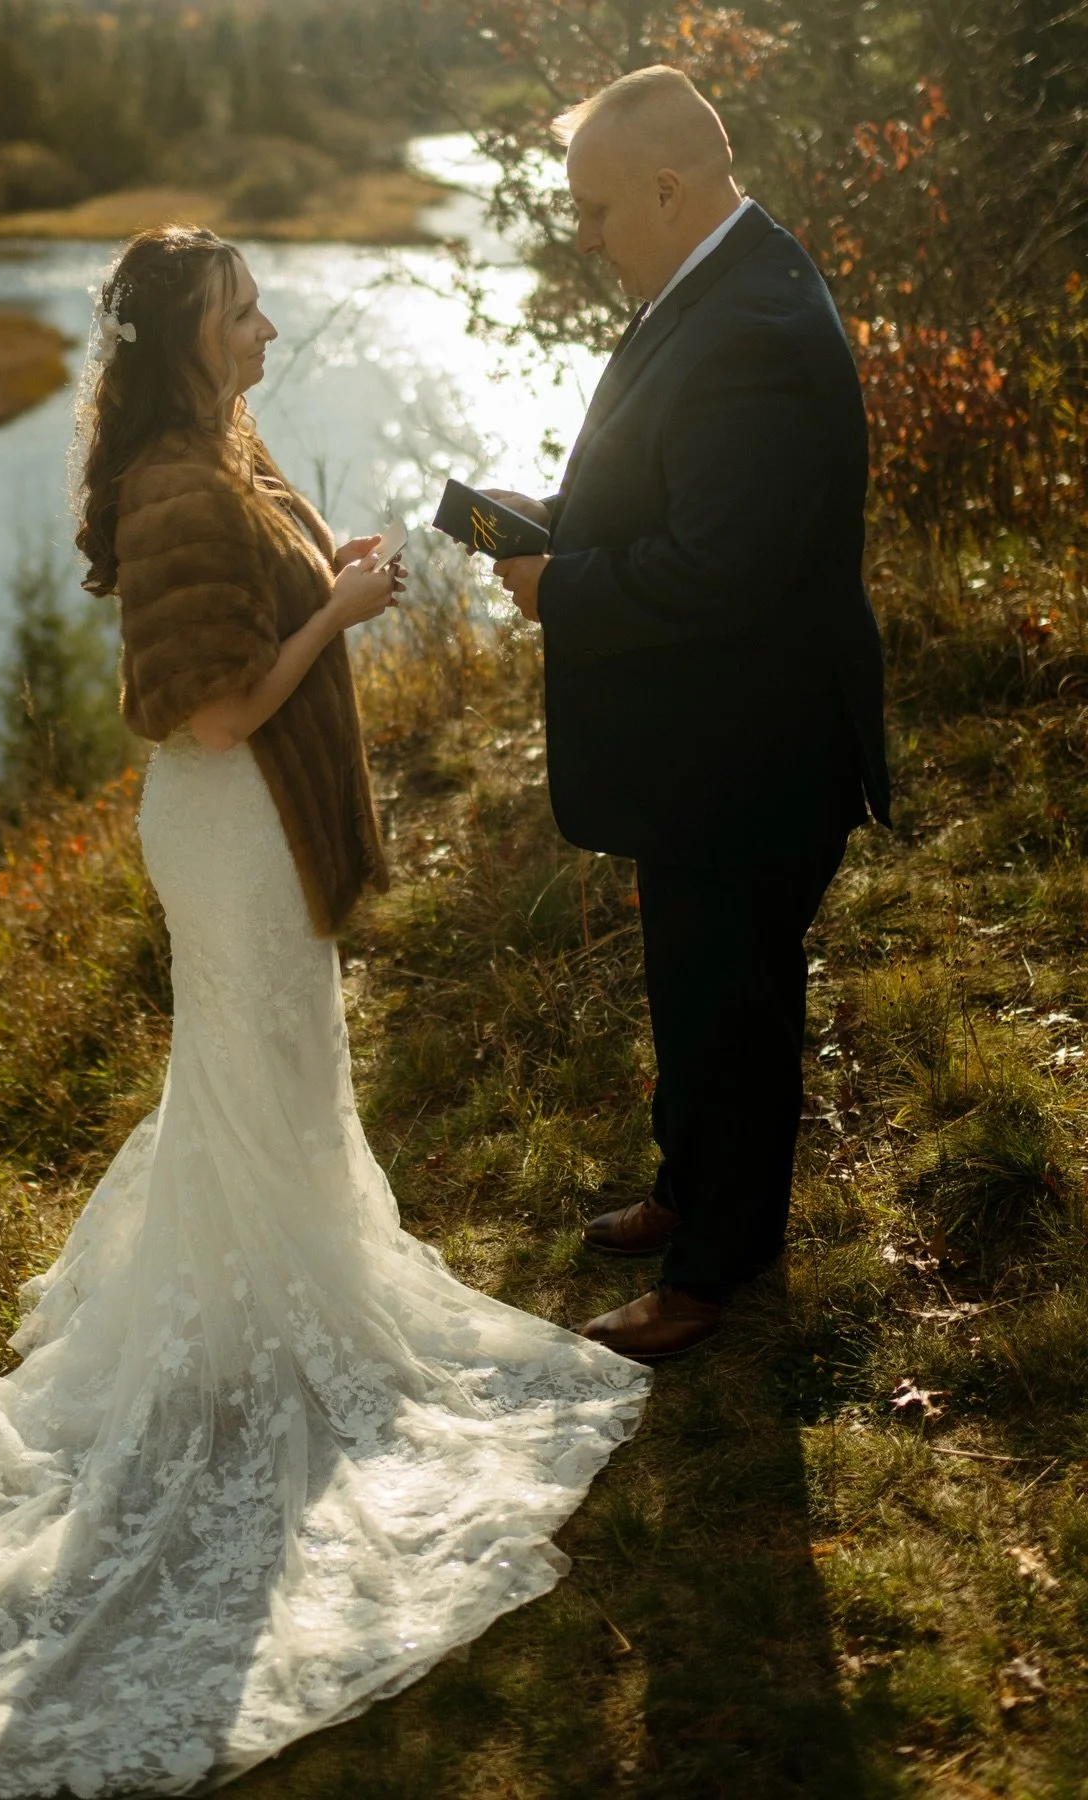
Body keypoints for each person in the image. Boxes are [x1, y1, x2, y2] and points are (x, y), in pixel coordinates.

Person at [0, 225, 649, 1799]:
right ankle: (236, 1361)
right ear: (188, 338)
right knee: (256, 1082)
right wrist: (340, 622)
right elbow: (213, 708)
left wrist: (326, 570)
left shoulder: (225, 447)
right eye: (244, 312)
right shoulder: (170, 485)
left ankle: (244, 1329)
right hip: (228, 835)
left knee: (272, 1091)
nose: (272, 326)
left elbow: (251, 627)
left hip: (257, 827)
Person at [488, 66, 890, 1361]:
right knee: (695, 986)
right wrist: (558, 528)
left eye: (599, 210)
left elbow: (720, 570)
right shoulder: (716, 281)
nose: (588, 238)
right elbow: (684, 502)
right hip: (713, 740)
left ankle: (718, 1267)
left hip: (753, 752)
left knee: (736, 1003)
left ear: (667, 189)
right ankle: (689, 1190)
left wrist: (563, 586)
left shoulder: (755, 327)